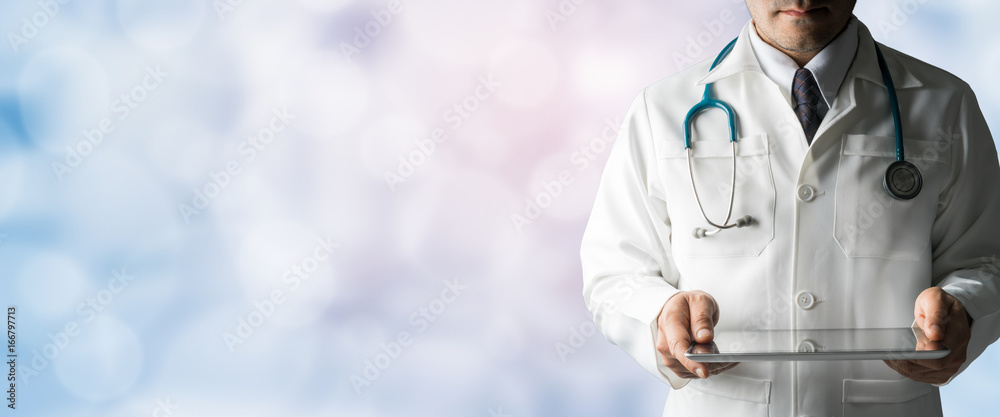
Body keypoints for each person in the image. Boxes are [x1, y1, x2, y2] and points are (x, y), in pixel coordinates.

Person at [579, 1, 1000, 416]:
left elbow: (987, 261)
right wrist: (658, 317)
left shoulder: (946, 104)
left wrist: (964, 310)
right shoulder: (661, 109)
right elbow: (615, 271)